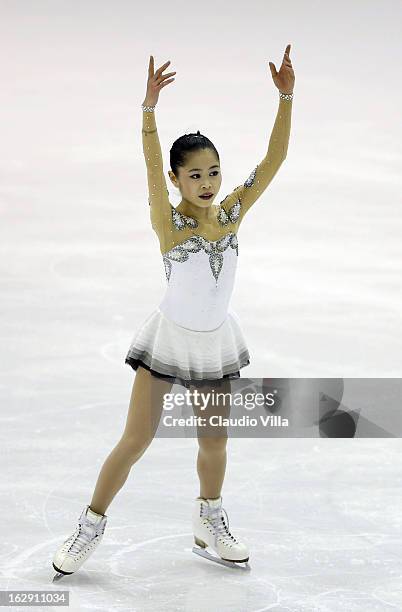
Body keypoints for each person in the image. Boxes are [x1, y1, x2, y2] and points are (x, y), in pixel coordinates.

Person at [52, 46, 295, 577]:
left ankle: (209, 520)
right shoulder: (170, 225)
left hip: (213, 342)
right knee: (136, 440)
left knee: (215, 441)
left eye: (214, 172)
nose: (207, 183)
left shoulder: (231, 213)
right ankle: (88, 526)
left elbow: (273, 161)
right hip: (169, 339)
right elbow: (149, 164)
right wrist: (148, 112)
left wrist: (285, 99)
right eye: (195, 175)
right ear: (177, 179)